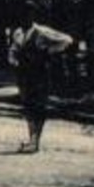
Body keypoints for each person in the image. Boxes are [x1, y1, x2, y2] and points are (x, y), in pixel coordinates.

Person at [10, 24, 70, 153]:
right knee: (27, 105)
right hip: (24, 74)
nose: (25, 18)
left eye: (29, 13)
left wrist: (48, 51)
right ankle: (32, 139)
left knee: (39, 105)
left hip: (39, 73)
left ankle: (35, 140)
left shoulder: (42, 32)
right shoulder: (18, 32)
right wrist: (14, 61)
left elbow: (67, 40)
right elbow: (13, 50)